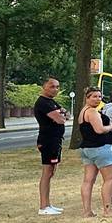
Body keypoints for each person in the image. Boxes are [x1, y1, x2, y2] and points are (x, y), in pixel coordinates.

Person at [76, 87, 112, 217]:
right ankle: (107, 210)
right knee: (110, 179)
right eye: (94, 96)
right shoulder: (92, 112)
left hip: (87, 149)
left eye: (100, 96)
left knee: (88, 180)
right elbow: (99, 130)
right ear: (87, 98)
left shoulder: (82, 112)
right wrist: (110, 127)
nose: (98, 99)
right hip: (100, 147)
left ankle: (87, 211)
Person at [34, 77, 69, 215]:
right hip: (48, 140)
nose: (55, 89)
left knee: (52, 172)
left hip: (56, 140)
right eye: (52, 86)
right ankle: (43, 206)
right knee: (47, 172)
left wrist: (62, 114)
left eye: (57, 87)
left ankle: (48, 204)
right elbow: (60, 119)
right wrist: (61, 115)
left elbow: (67, 114)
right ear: (44, 87)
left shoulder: (52, 102)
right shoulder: (43, 103)